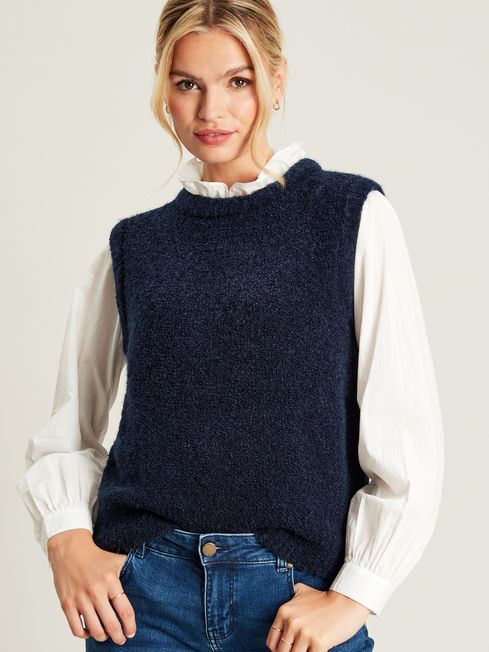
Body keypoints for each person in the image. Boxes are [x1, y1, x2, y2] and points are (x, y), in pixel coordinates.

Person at [16, 1, 445, 650]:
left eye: (237, 81)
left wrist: (356, 594)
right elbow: (69, 426)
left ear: (277, 80)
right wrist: (66, 539)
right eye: (188, 83)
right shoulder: (136, 245)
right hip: (145, 602)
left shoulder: (348, 216)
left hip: (292, 601)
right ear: (164, 90)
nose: (210, 109)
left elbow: (405, 429)